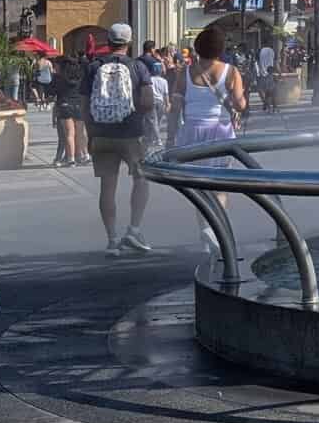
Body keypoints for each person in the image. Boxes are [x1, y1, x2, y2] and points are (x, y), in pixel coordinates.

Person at [172, 25, 247, 253]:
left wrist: (170, 139)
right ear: (220, 48)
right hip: (220, 131)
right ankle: (216, 230)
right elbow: (239, 104)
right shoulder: (231, 71)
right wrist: (240, 101)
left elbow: (175, 107)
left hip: (192, 131)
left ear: (198, 47)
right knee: (220, 186)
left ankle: (205, 233)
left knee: (199, 185)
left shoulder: (185, 72)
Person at [83, 22, 156, 256]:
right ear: (129, 42)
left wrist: (90, 134)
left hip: (101, 134)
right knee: (141, 179)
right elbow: (148, 102)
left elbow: (84, 105)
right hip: (131, 133)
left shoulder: (93, 67)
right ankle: (134, 229)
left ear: (108, 41)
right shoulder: (138, 67)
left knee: (107, 186)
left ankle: (112, 240)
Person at [50, 55, 90, 167]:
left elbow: (52, 92)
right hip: (78, 105)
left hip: (65, 105)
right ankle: (85, 155)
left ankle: (71, 159)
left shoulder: (59, 77)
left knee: (69, 134)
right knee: (80, 133)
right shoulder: (80, 75)